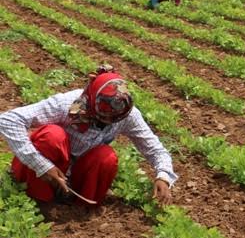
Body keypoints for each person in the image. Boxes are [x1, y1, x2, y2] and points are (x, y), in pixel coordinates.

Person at [0, 65, 176, 206]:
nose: (106, 123)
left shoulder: (127, 115)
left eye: (112, 121)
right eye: (102, 118)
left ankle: (79, 204)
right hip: (44, 167)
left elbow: (155, 149)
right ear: (91, 102)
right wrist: (41, 165)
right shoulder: (66, 104)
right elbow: (8, 120)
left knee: (106, 157)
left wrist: (163, 176)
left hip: (78, 172)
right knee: (52, 136)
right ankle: (37, 200)